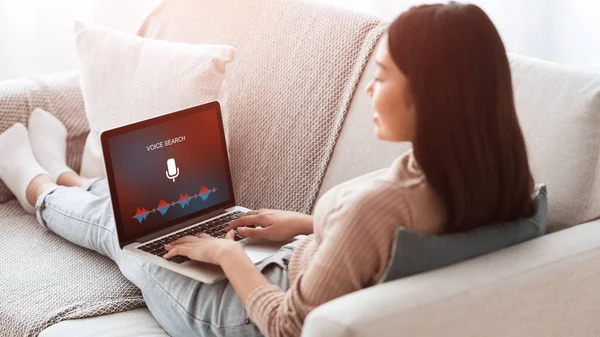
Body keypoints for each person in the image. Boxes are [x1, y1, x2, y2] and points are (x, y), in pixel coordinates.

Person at [0, 2, 537, 337]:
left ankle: (36, 185)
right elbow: (394, 241)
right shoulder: (496, 179)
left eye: (384, 75)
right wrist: (305, 224)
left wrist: (227, 254)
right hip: (293, 266)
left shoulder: (386, 201)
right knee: (167, 214)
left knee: (133, 230)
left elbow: (288, 327)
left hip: (239, 314)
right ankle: (69, 180)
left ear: (433, 94)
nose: (372, 88)